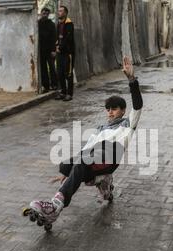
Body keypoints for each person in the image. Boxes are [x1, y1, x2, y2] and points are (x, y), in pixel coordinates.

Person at [26, 56, 143, 228]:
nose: (110, 112)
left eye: (115, 109)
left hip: (109, 157)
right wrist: (68, 172)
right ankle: (99, 185)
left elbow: (138, 105)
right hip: (93, 157)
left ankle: (55, 206)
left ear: (123, 110)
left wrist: (132, 79)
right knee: (67, 164)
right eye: (108, 109)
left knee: (83, 161)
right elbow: (86, 149)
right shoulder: (100, 129)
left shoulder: (128, 124)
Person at [55, 6, 75, 102]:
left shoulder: (69, 24)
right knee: (60, 73)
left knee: (68, 73)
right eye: (58, 11)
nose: (59, 12)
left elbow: (68, 39)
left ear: (65, 13)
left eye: (61, 11)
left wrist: (60, 47)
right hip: (59, 53)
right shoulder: (58, 24)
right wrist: (55, 46)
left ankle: (69, 94)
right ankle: (63, 92)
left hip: (68, 53)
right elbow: (57, 37)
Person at [39, 7, 58, 93]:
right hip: (41, 51)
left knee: (52, 67)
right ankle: (45, 86)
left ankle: (54, 84)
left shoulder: (51, 24)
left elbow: (54, 38)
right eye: (44, 13)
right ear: (41, 13)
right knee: (43, 68)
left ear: (48, 15)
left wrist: (53, 50)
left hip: (50, 50)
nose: (45, 14)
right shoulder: (37, 24)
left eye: (47, 13)